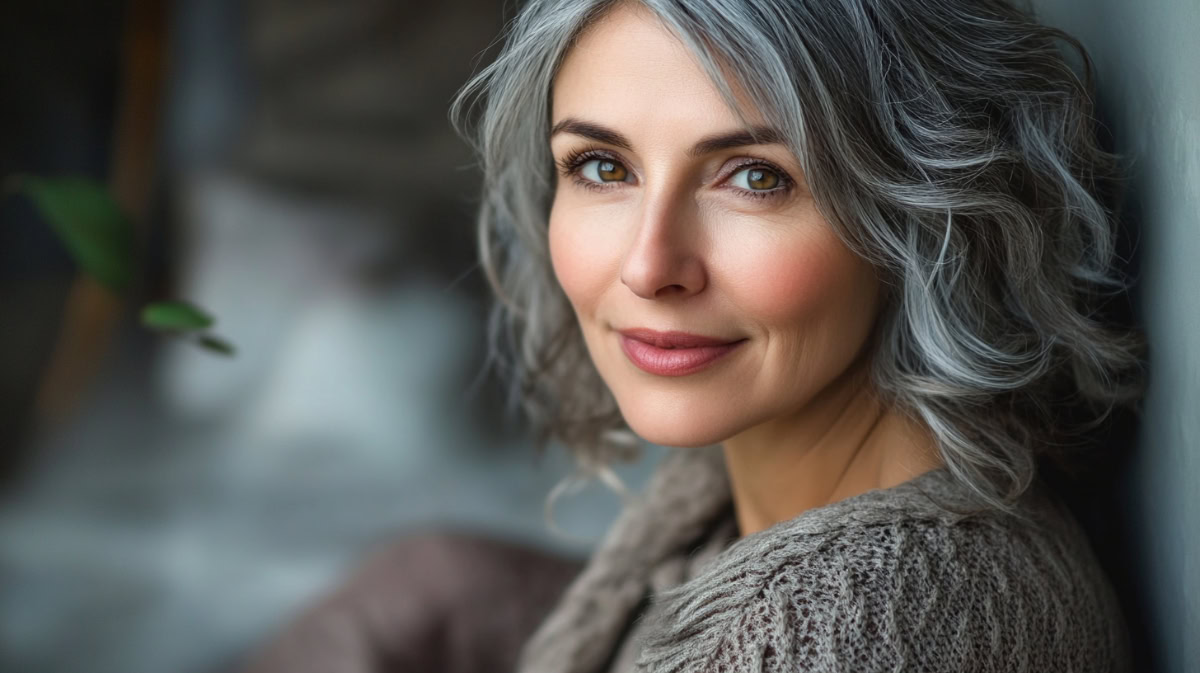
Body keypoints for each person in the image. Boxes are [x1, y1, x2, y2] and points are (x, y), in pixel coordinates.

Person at [239, 0, 1145, 671]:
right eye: (602, 167)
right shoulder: (826, 500)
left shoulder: (841, 635)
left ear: (919, 213)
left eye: (754, 178)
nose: (649, 264)